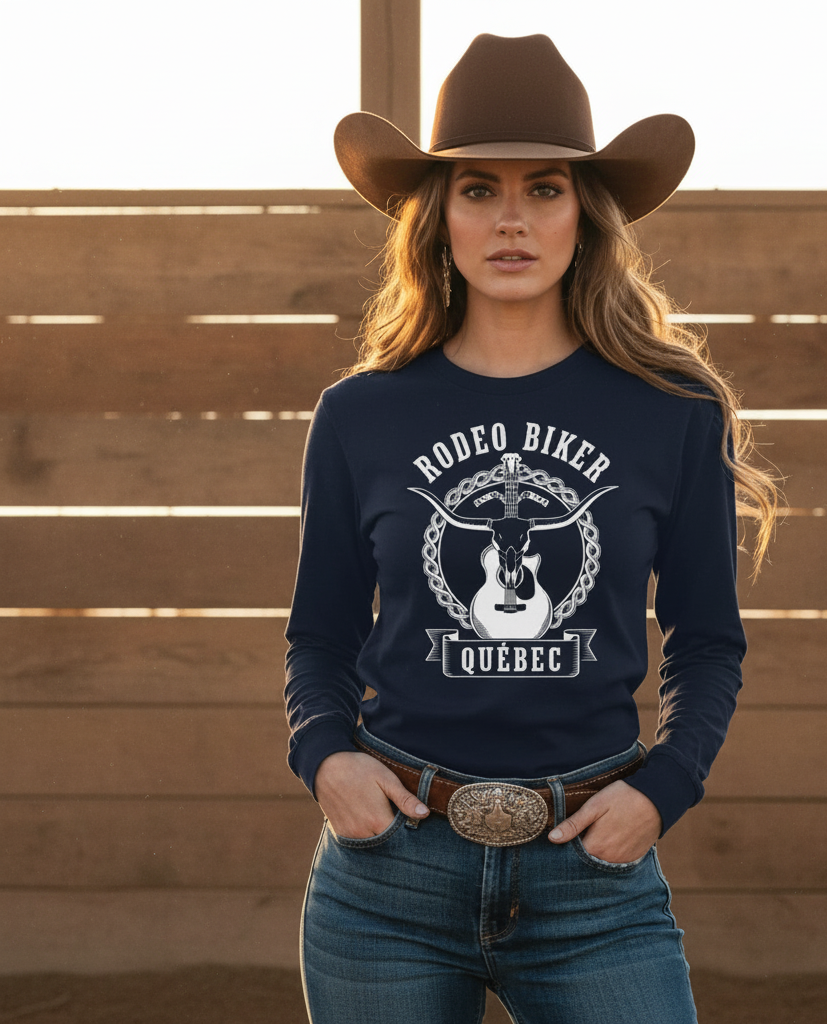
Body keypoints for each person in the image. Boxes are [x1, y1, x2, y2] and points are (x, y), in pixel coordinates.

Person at [284, 33, 777, 1024]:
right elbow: (321, 634)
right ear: (439, 216)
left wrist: (664, 789)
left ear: (585, 216)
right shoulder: (359, 414)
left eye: (544, 189)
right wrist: (326, 756)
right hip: (388, 875)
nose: (511, 219)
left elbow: (706, 639)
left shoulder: (673, 412)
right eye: (478, 189)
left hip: (590, 873)